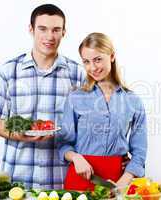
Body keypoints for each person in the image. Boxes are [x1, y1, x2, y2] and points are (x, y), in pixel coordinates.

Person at [0, 4, 85, 189]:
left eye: (56, 29)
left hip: (62, 180)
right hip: (17, 179)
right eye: (42, 29)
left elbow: (88, 125)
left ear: (64, 32)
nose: (50, 36)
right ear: (31, 29)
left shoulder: (79, 74)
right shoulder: (7, 72)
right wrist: (21, 136)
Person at [57, 32, 147, 191]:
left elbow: (139, 151)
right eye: (86, 61)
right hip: (80, 178)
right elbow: (64, 143)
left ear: (112, 56)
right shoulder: (75, 98)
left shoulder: (133, 101)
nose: (92, 67)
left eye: (98, 59)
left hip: (118, 180)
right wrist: (76, 157)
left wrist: (124, 181)